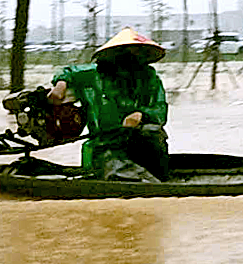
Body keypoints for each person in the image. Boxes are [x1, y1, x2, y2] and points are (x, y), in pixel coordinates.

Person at [49, 27, 171, 181]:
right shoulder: (95, 75)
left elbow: (160, 111)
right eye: (126, 53)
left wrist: (141, 114)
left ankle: (155, 179)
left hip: (138, 142)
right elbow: (68, 72)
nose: (132, 58)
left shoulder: (150, 79)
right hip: (104, 145)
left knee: (151, 132)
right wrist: (60, 85)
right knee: (117, 170)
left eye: (137, 53)